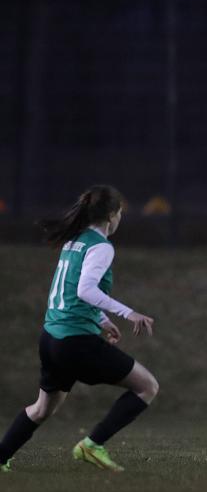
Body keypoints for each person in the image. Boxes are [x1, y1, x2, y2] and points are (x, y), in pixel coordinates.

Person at [0, 185, 158, 473]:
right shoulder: (101, 246)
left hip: (51, 339)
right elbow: (85, 289)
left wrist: (102, 321)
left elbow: (73, 291)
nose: (120, 218)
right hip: (75, 342)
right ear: (111, 215)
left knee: (41, 409)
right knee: (147, 386)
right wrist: (128, 313)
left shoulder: (75, 241)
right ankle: (92, 445)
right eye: (120, 212)